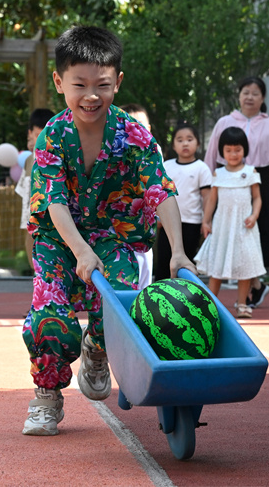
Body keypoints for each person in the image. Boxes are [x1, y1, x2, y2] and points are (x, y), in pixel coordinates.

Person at [21, 25, 196, 436]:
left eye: (102, 84)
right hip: (58, 239)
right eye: (79, 84)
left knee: (118, 300)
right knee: (50, 316)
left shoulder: (134, 135)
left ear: (117, 82)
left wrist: (178, 252)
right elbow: (54, 202)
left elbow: (161, 189)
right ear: (60, 82)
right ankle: (46, 396)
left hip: (113, 236)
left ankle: (97, 349)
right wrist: (80, 250)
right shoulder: (52, 137)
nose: (90, 95)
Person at [204, 77, 269, 309]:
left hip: (261, 180)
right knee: (228, 234)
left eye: (255, 93)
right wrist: (209, 188)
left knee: (252, 237)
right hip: (227, 181)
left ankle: (250, 290)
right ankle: (256, 287)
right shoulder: (224, 122)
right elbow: (211, 157)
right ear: (239, 95)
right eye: (245, 92)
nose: (249, 97)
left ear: (263, 98)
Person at [195, 127, 266, 319]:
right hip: (223, 225)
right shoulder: (218, 174)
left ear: (245, 150)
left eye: (237, 150)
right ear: (221, 151)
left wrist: (254, 215)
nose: (233, 154)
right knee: (217, 265)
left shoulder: (251, 172)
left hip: (244, 225)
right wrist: (206, 221)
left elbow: (258, 198)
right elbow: (212, 199)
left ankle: (242, 304)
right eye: (228, 150)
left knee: (245, 265)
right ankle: (211, 304)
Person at [154, 122, 212, 281]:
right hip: (168, 223)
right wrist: (158, 217)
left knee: (187, 264)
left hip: (192, 223)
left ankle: (186, 301)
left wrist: (206, 221)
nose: (185, 143)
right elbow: (158, 194)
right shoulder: (166, 166)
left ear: (198, 143)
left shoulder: (202, 168)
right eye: (179, 140)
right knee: (164, 263)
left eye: (189, 139)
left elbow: (207, 197)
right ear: (173, 145)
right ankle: (160, 300)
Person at [119, 103, 157, 289]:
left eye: (140, 125)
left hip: (142, 231)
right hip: (116, 231)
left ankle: (140, 314)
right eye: (129, 125)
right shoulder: (112, 155)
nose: (135, 131)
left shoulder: (154, 155)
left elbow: (161, 190)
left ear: (148, 129)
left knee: (144, 281)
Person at [15, 107, 54, 274]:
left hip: (52, 222)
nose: (43, 140)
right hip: (31, 222)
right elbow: (23, 195)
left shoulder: (57, 158)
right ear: (30, 133)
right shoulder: (29, 161)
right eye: (38, 135)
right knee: (35, 266)